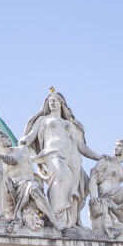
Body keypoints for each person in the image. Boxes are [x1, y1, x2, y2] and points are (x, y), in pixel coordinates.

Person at [19, 90, 100, 229]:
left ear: (61, 103)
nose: (52, 102)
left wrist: (98, 157)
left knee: (76, 186)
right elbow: (30, 137)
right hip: (52, 152)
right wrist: (23, 142)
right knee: (62, 176)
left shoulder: (70, 123)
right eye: (50, 100)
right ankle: (56, 216)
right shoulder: (42, 120)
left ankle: (70, 221)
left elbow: (81, 146)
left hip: (72, 156)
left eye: (55, 100)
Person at [0, 130, 61, 230]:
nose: (8, 137)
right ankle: (1, 210)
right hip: (13, 190)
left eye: (6, 135)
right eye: (4, 137)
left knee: (34, 190)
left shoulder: (21, 149)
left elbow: (14, 161)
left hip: (28, 182)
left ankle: (53, 220)